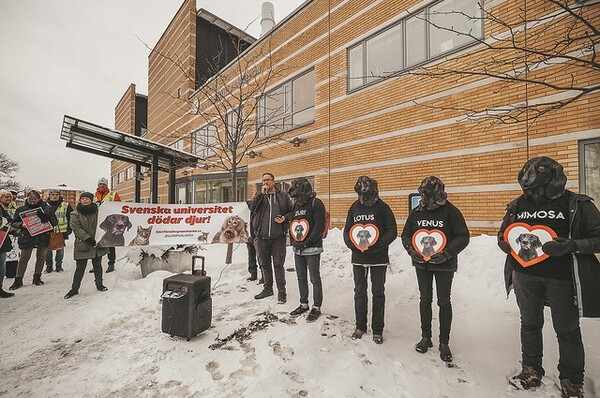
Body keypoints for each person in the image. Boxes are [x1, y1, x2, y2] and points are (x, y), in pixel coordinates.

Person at [498, 156, 600, 398]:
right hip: (524, 275)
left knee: (567, 330)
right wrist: (504, 242)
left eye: (535, 187)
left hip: (563, 279)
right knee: (529, 325)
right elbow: (504, 233)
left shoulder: (577, 203)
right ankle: (531, 370)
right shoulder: (517, 205)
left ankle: (572, 381)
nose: (530, 191)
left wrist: (572, 245)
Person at [401, 176, 470, 362]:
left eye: (428, 193)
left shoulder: (451, 211)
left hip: (444, 266)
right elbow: (406, 234)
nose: (425, 197)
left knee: (444, 302)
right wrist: (411, 250)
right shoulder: (417, 212)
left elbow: (463, 236)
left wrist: (447, 254)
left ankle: (444, 342)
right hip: (422, 265)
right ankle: (426, 337)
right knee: (425, 299)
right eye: (423, 193)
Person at [343, 176, 397, 344]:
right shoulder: (354, 207)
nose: (363, 196)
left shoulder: (383, 208)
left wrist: (377, 246)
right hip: (358, 257)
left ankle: (378, 329)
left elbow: (392, 231)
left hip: (378, 257)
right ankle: (360, 326)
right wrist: (352, 245)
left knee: (378, 293)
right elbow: (347, 231)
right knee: (359, 292)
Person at [248, 172, 293, 304]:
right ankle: (267, 289)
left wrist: (284, 218)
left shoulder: (283, 196)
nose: (265, 183)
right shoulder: (259, 195)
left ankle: (282, 292)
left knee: (278, 265)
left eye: (268, 180)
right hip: (261, 237)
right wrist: (261, 195)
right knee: (264, 264)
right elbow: (252, 208)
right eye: (263, 181)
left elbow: (291, 211)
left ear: (274, 181)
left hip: (278, 237)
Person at [288, 177, 326, 322]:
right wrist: (294, 241)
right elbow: (293, 223)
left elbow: (319, 225)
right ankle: (303, 304)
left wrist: (308, 242)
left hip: (313, 248)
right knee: (301, 278)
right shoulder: (296, 204)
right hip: (298, 249)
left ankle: (316, 307)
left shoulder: (316, 203)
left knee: (314, 278)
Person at [64, 192, 109, 299]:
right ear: (80, 200)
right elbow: (76, 228)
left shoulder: (98, 212)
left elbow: (103, 224)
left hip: (97, 243)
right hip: (83, 243)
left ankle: (99, 285)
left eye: (87, 198)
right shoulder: (75, 214)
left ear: (91, 200)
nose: (85, 200)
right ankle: (74, 289)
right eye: (83, 198)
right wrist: (87, 238)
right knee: (80, 267)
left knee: (97, 265)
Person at [9, 190, 57, 289]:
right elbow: (13, 223)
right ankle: (18, 279)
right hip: (27, 236)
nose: (32, 201)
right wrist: (21, 225)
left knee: (41, 257)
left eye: (34, 199)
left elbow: (54, 222)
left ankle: (37, 277)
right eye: (30, 199)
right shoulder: (21, 209)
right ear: (27, 198)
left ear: (39, 199)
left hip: (43, 236)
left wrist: (46, 219)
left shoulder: (47, 208)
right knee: (24, 258)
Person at [93, 177, 121, 273]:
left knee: (110, 244)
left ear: (107, 185)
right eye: (100, 184)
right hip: (97, 223)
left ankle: (111, 263)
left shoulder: (113, 195)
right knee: (97, 244)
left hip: (110, 224)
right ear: (98, 185)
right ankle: (96, 264)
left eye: (103, 184)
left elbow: (118, 208)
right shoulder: (93, 196)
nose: (101, 186)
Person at [44, 189, 73, 273]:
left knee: (60, 249)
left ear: (59, 195)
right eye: (52, 195)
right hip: (47, 230)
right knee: (47, 249)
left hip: (61, 230)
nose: (54, 196)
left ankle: (59, 266)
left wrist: (69, 229)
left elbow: (70, 217)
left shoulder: (65, 205)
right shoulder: (45, 205)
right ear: (49, 196)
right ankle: (49, 266)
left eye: (56, 194)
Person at [0, 190, 15, 297]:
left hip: (2, 239)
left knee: (2, 265)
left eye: (10, 198)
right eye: (6, 197)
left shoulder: (2, 208)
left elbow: (9, 219)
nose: (9, 200)